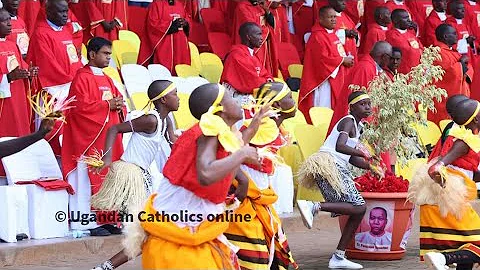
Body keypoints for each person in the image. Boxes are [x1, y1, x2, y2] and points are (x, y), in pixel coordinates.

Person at [131, 83, 263, 269]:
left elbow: (232, 153)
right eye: (231, 98)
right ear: (219, 109)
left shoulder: (213, 132)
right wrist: (242, 154)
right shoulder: (207, 133)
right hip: (178, 245)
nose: (237, 101)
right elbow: (206, 174)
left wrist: (254, 126)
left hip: (182, 239)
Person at [90, 80, 179, 270]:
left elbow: (173, 142)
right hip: (131, 175)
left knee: (148, 233)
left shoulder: (165, 121)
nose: (179, 98)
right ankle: (104, 268)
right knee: (147, 232)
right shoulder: (150, 120)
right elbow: (114, 128)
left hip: (143, 176)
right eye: (175, 94)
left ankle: (104, 268)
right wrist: (107, 159)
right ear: (163, 99)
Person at [296, 91, 381, 270]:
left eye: (368, 104)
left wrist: (370, 167)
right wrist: (362, 151)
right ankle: (314, 206)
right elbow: (339, 146)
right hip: (329, 165)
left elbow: (349, 157)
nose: (367, 107)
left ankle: (339, 257)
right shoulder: (348, 120)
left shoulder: (359, 127)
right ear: (351, 107)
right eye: (362, 104)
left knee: (357, 210)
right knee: (359, 206)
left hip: (333, 166)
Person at [224, 82, 298, 270]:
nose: (294, 100)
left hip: (259, 199)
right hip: (248, 199)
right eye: (289, 96)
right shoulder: (264, 127)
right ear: (278, 106)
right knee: (255, 254)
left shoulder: (271, 125)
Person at [61, 37, 125, 236]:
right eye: (105, 54)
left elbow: (116, 101)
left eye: (110, 54)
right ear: (92, 54)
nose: (109, 58)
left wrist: (119, 104)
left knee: (109, 181)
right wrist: (108, 106)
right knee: (88, 182)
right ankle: (87, 223)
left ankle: (107, 220)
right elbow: (78, 109)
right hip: (88, 140)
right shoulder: (82, 77)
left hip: (107, 140)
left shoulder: (106, 78)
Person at [408, 98, 480, 270]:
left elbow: (467, 172)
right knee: (476, 244)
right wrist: (449, 190)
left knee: (467, 248)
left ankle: (445, 257)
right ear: (476, 119)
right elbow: (435, 169)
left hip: (446, 203)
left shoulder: (469, 138)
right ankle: (443, 258)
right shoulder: (463, 142)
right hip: (445, 203)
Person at [26, 0, 83, 155]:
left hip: (69, 88)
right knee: (52, 131)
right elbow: (48, 65)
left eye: (66, 11)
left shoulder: (64, 30)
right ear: (49, 12)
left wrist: (79, 78)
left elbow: (73, 59)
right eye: (61, 12)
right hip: (53, 92)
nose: (66, 16)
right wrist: (71, 82)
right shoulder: (41, 34)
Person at [299, 6, 354, 128]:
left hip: (336, 76)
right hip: (324, 81)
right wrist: (342, 60)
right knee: (325, 107)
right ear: (321, 19)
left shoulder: (332, 34)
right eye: (330, 17)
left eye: (335, 17)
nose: (334, 20)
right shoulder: (317, 36)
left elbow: (338, 53)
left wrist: (345, 59)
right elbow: (321, 60)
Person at [428, 24, 473, 125]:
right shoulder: (438, 52)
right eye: (454, 34)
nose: (457, 36)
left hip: (459, 95)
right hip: (445, 100)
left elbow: (468, 67)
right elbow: (450, 74)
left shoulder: (451, 51)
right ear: (445, 36)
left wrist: (463, 63)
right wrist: (461, 63)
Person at [221, 22, 274, 106]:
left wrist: (268, 82)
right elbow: (251, 82)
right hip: (234, 98)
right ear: (248, 37)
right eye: (258, 34)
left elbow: (266, 75)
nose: (261, 38)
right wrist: (268, 84)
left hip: (251, 93)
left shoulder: (252, 55)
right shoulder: (236, 55)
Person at [137, 0, 191, 74]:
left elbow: (187, 19)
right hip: (164, 46)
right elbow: (152, 24)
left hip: (179, 45)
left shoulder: (180, 5)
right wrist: (171, 25)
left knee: (180, 72)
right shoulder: (156, 4)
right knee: (163, 73)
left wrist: (185, 23)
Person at [232, 0, 279, 77]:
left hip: (265, 44)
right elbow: (250, 29)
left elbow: (272, 24)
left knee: (266, 72)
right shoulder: (242, 7)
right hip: (253, 45)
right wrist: (266, 30)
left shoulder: (261, 6)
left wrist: (266, 9)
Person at [385, 9, 423, 74]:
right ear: (395, 20)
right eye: (405, 18)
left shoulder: (411, 35)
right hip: (403, 73)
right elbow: (408, 51)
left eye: (408, 17)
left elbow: (422, 49)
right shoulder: (392, 35)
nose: (409, 20)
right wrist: (418, 50)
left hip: (416, 72)